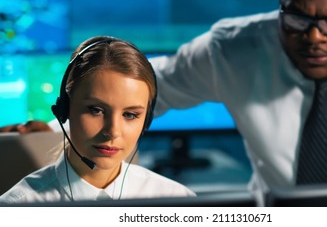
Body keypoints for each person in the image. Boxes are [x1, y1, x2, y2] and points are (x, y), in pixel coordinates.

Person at [1, 0, 327, 205]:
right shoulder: (233, 49)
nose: (314, 36)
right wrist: (56, 128)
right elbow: (145, 86)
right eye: (298, 17)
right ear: (280, 2)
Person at [0, 36, 195, 203]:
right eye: (96, 110)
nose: (113, 131)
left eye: (130, 115)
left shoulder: (177, 201)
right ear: (64, 110)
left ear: (147, 119)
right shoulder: (18, 208)